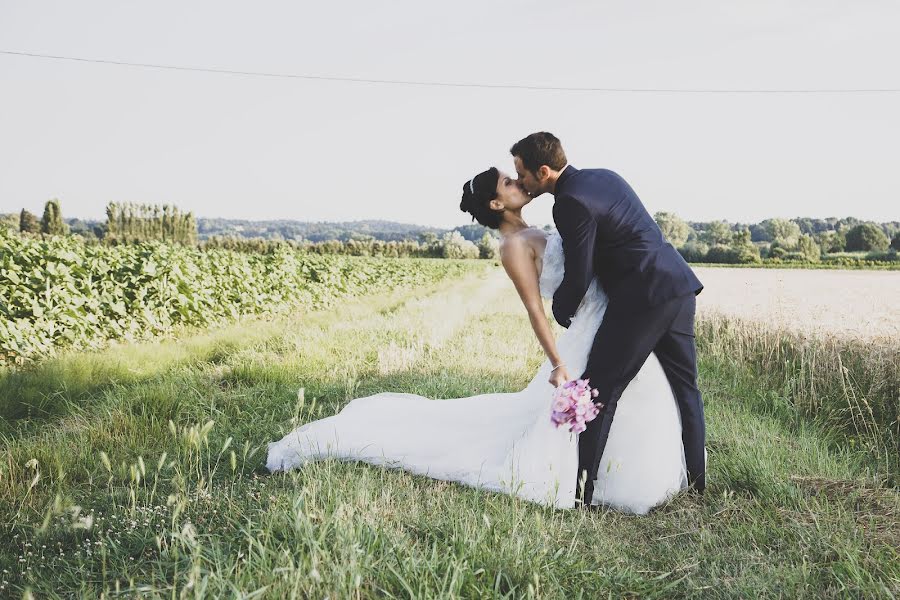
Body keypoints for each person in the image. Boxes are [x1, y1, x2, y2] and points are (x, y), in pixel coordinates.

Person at [265, 167, 688, 514]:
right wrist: (557, 363)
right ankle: (587, 481)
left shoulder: (540, 225)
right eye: (508, 182)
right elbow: (534, 310)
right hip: (586, 330)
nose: (519, 183)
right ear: (495, 203)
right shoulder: (512, 247)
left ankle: (615, 474)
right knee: (596, 398)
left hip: (613, 316)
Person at [511, 132, 706, 507]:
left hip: (642, 297)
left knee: (598, 391)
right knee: (687, 389)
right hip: (677, 284)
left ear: (544, 171)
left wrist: (562, 310)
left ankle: (583, 494)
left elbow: (580, 271)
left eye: (523, 174)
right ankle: (698, 486)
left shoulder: (568, 203)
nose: (520, 182)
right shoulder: (605, 176)